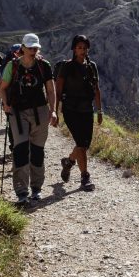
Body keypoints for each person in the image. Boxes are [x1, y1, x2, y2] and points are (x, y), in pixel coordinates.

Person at [0, 33, 55, 206]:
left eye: (35, 48)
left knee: (37, 151)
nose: (33, 50)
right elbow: (3, 87)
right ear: (22, 48)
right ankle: (22, 191)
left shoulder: (44, 66)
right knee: (20, 150)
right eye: (30, 48)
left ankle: (36, 188)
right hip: (18, 112)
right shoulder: (11, 66)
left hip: (40, 112)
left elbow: (50, 90)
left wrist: (53, 110)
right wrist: (5, 104)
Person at [53, 35, 103, 191]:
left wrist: (99, 110)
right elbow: (58, 89)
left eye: (85, 48)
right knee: (81, 143)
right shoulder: (67, 66)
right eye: (79, 47)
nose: (82, 50)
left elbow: (96, 89)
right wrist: (55, 111)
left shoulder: (91, 66)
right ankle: (85, 177)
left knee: (84, 145)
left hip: (87, 110)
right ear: (74, 49)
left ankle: (68, 162)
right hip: (71, 110)